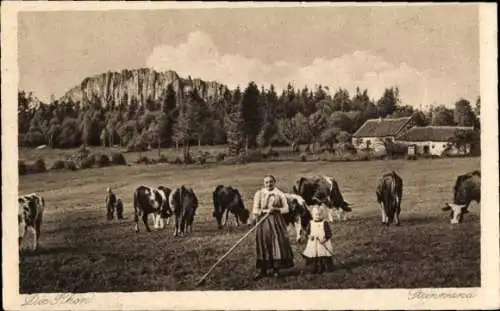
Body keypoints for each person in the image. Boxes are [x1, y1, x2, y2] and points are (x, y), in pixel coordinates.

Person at [252, 175, 294, 279]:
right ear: (264, 183)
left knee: (277, 244)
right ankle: (263, 270)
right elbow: (255, 210)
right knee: (264, 244)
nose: (269, 184)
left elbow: (286, 209)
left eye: (271, 182)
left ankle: (276, 270)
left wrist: (276, 210)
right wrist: (265, 211)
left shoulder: (279, 194)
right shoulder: (259, 194)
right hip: (263, 222)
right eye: (266, 182)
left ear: (274, 182)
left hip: (276, 222)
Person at [301, 205, 334, 274]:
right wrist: (309, 236)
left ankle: (324, 267)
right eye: (316, 214)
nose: (318, 216)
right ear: (312, 215)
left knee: (322, 255)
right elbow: (307, 232)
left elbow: (329, 233)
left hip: (322, 243)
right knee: (313, 255)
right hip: (313, 243)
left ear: (322, 215)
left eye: (319, 214)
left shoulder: (324, 223)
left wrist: (324, 239)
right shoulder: (311, 223)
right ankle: (314, 268)